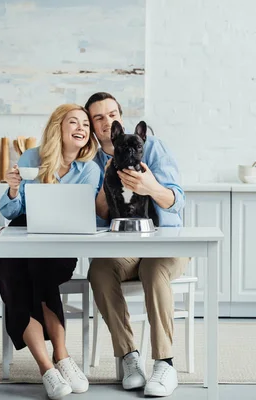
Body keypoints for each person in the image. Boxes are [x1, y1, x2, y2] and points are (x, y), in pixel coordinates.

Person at [85, 92, 187, 397]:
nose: (107, 121)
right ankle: (129, 358)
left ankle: (164, 364)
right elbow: (99, 213)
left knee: (154, 272)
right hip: (123, 247)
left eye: (112, 113)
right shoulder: (90, 160)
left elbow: (176, 201)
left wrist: (151, 186)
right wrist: (107, 179)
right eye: (99, 117)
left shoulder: (152, 147)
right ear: (92, 125)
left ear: (121, 117)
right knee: (99, 271)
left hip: (165, 244)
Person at [0, 104, 100, 399]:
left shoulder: (89, 170)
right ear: (59, 127)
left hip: (63, 243)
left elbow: (85, 215)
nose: (82, 128)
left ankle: (63, 355)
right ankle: (50, 368)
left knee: (38, 270)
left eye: (85, 124)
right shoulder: (32, 158)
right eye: (74, 122)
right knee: (12, 276)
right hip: (24, 234)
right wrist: (14, 189)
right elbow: (11, 212)